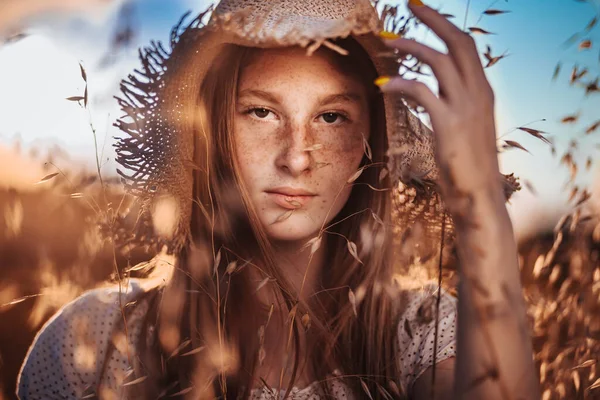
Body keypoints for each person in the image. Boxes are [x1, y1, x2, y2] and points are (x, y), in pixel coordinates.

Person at [16, 0, 541, 399]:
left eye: (331, 117)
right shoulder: (94, 342)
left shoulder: (422, 333)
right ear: (212, 132)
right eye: (261, 113)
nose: (296, 158)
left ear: (369, 147)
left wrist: (479, 212)